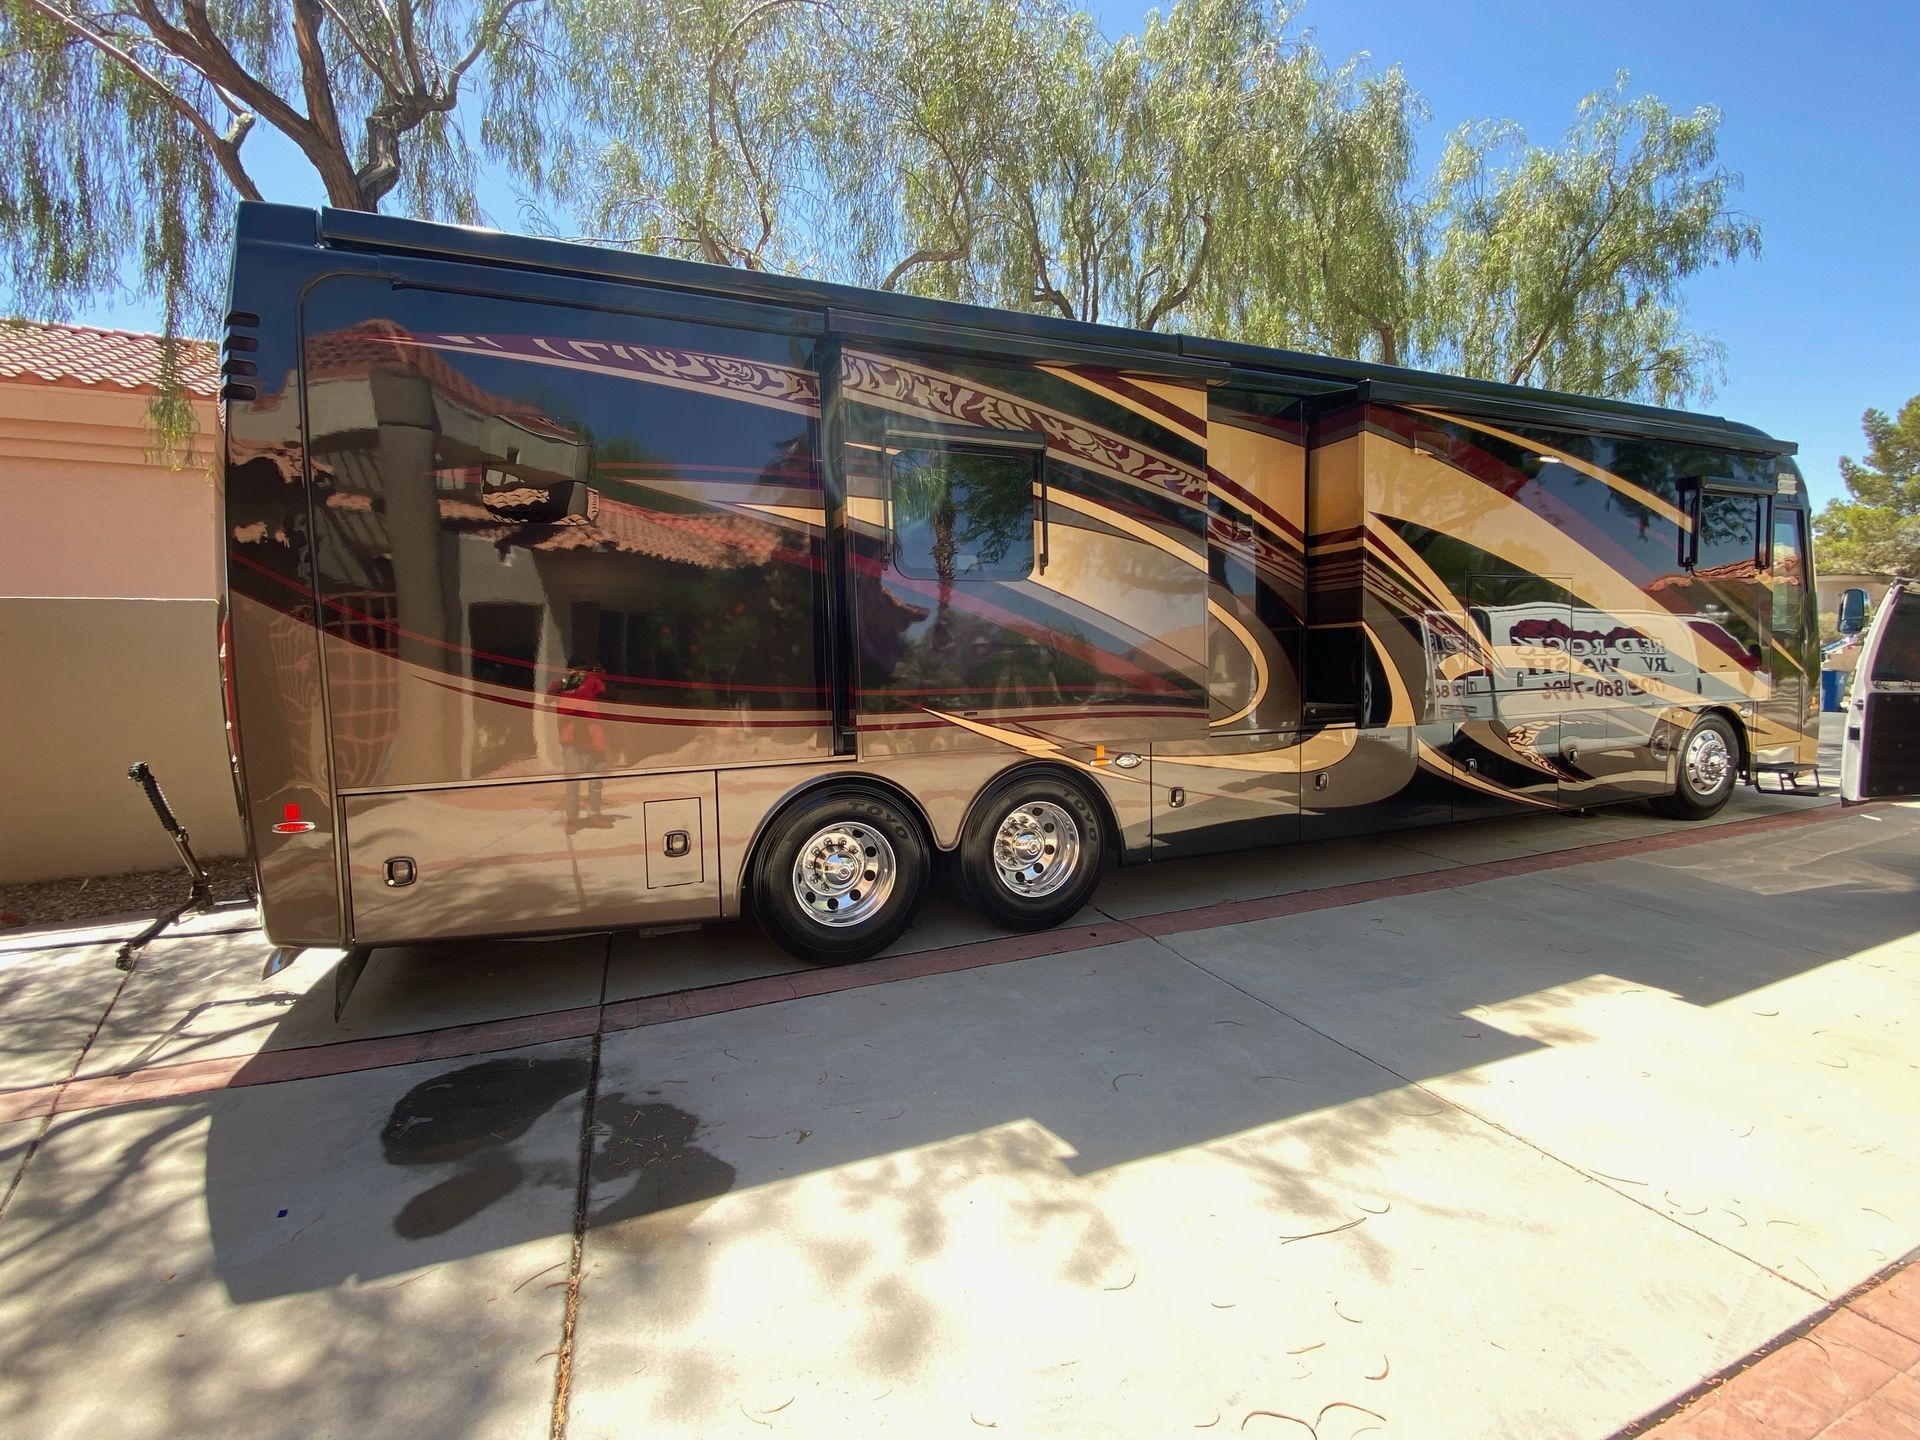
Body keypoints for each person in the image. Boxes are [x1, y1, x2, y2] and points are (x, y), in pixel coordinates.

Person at [548, 657, 610, 830]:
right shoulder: (564, 684)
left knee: (593, 781)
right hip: (574, 739)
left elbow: (606, 695)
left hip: (593, 737)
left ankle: (591, 817)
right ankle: (576, 819)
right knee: (577, 782)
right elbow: (548, 698)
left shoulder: (587, 682)